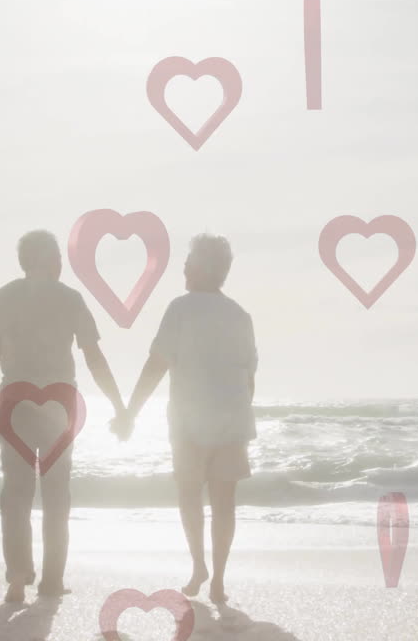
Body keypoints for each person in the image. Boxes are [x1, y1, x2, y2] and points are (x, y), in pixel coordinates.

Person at [0, 229, 126, 605]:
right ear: (52, 261)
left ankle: (17, 579)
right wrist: (118, 404)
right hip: (60, 402)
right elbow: (94, 357)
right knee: (56, 493)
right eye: (59, 258)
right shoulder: (70, 298)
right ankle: (51, 580)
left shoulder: (2, 297)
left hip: (14, 399)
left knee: (16, 492)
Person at [115, 233, 257, 606]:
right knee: (224, 503)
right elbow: (249, 377)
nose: (183, 267)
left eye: (189, 260)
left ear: (203, 268)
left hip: (189, 422)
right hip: (231, 420)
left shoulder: (180, 309)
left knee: (189, 495)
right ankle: (218, 579)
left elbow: (156, 365)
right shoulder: (240, 315)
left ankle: (199, 566)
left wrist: (131, 411)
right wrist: (239, 412)